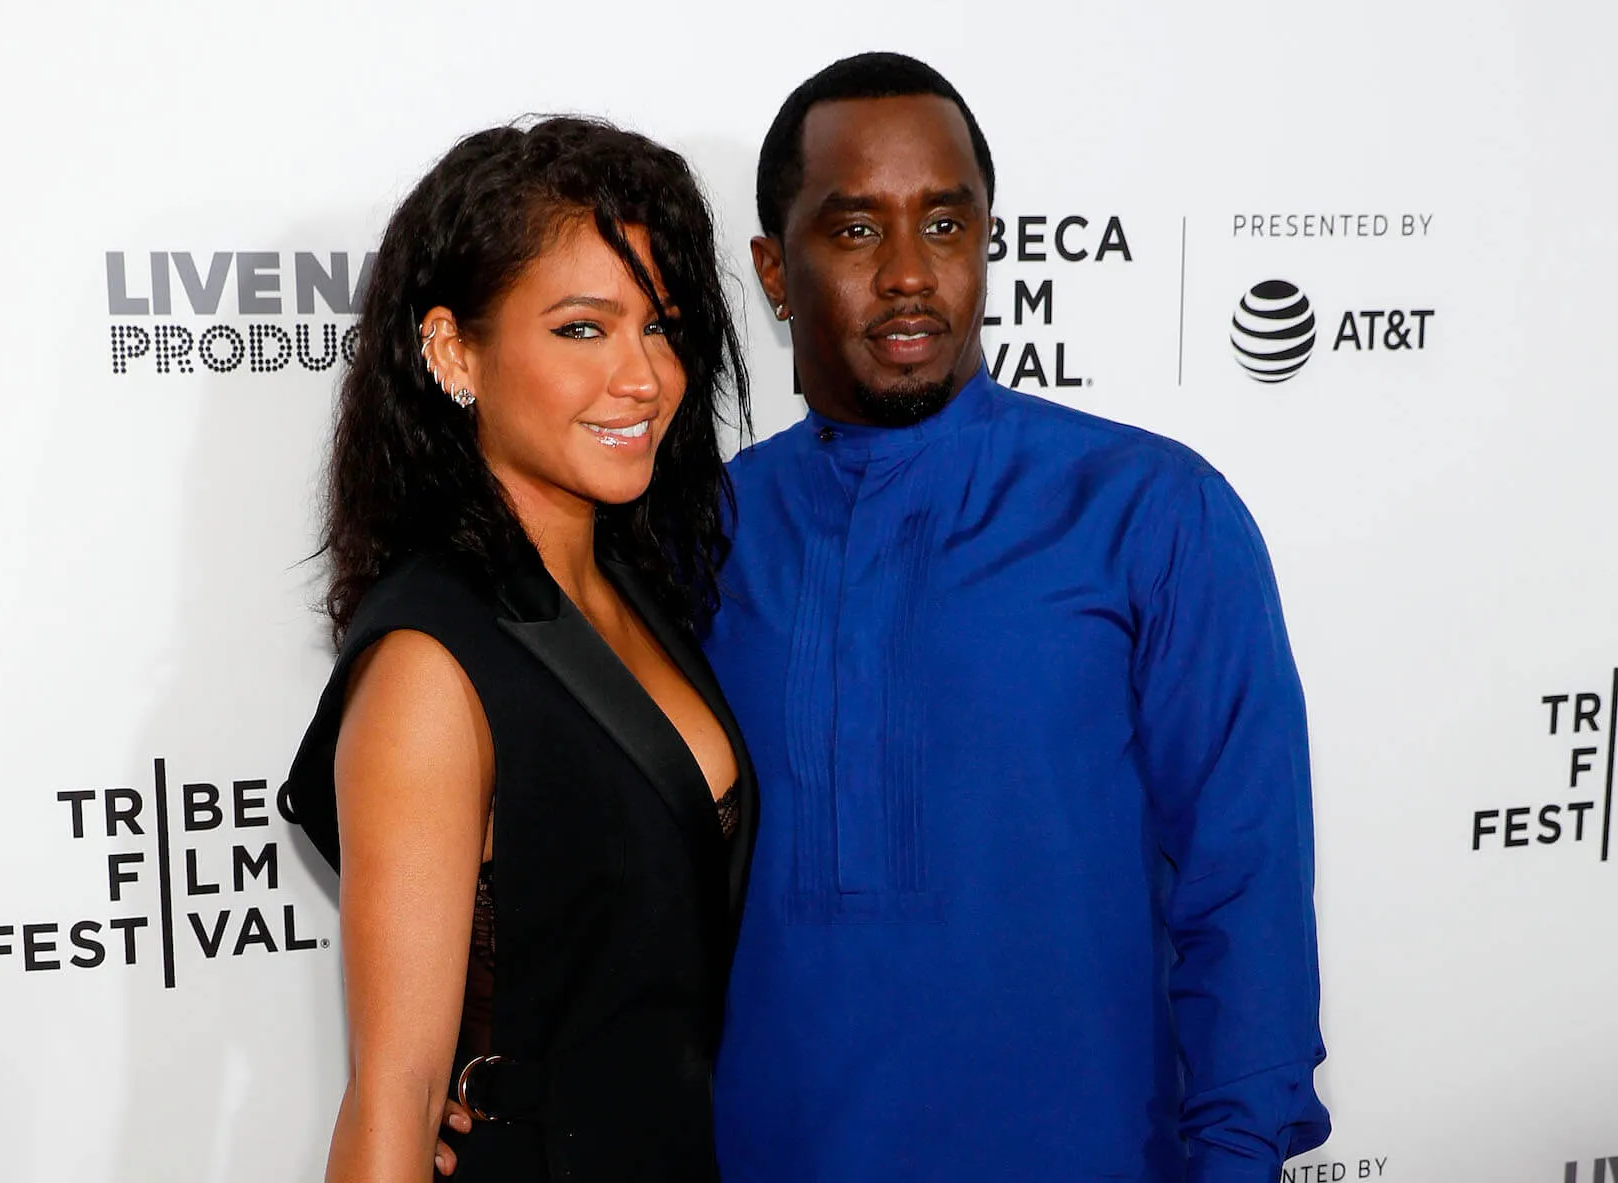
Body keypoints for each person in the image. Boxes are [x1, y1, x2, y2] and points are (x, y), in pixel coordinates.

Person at [703, 53, 1329, 1181]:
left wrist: (1236, 1157)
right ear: (772, 269)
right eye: (854, 233)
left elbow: (1243, 877)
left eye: (944, 227)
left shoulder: (1150, 511)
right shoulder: (699, 535)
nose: (908, 275)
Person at [285, 115, 758, 1182]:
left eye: (662, 325)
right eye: (583, 329)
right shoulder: (430, 663)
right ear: (454, 349)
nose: (642, 377)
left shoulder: (634, 585)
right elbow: (393, 1103)